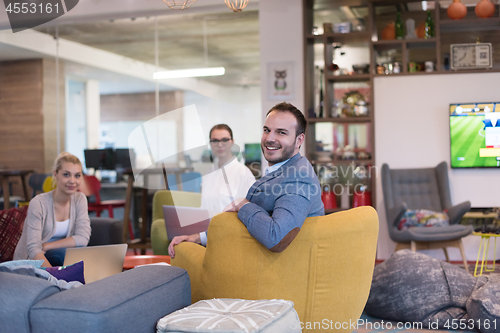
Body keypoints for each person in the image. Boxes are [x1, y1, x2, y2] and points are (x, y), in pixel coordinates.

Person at [168, 102, 324, 257]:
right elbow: (247, 223)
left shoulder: (298, 177)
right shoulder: (281, 172)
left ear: (299, 140)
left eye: (281, 132)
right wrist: (198, 238)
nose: (270, 138)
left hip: (279, 274)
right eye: (267, 130)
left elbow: (276, 237)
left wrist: (242, 204)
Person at [168, 124, 255, 254]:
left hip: (230, 239)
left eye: (225, 140)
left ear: (232, 142)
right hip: (206, 238)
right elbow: (204, 211)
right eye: (215, 140)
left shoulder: (243, 173)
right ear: (210, 144)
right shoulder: (208, 175)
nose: (220, 144)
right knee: (179, 247)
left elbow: (249, 214)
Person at [14, 152, 91, 267]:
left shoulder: (80, 199)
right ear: (55, 175)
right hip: (34, 258)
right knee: (66, 256)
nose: (72, 181)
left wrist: (47, 245)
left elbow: (83, 238)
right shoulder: (38, 203)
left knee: (83, 254)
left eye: (77, 175)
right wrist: (54, 276)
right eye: (66, 175)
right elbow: (34, 249)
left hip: (54, 251)